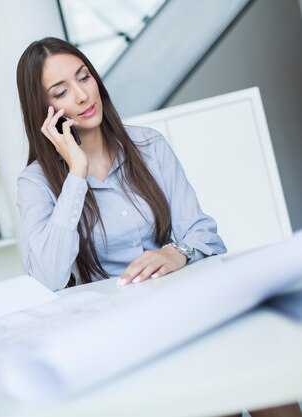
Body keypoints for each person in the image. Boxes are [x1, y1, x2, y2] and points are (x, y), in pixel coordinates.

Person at [16, 37, 227, 291]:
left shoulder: (149, 145)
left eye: (84, 77)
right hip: (106, 316)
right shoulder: (35, 183)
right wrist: (76, 174)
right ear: (43, 110)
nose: (83, 95)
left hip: (172, 295)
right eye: (61, 92)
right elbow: (46, 280)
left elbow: (205, 236)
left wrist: (176, 253)